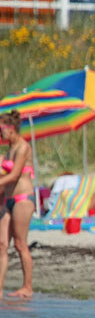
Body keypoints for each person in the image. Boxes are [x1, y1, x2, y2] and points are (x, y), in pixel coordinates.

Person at [0, 110, 35, 298]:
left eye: (2, 129)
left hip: (23, 199)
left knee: (21, 244)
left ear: (11, 129)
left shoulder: (23, 147)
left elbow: (14, 175)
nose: (0, 133)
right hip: (8, 199)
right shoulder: (9, 149)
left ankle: (27, 286)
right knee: (2, 244)